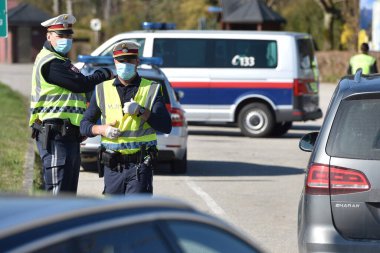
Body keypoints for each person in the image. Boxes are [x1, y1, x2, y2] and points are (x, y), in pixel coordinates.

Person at [29, 14, 114, 195]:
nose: (65, 40)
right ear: (48, 36)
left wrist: (79, 127)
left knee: (67, 195)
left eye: (68, 35)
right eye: (60, 35)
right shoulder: (50, 62)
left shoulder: (62, 62)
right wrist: (103, 74)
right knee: (58, 194)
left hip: (69, 135)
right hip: (54, 135)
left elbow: (75, 97)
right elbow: (80, 84)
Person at [80, 41, 172, 195]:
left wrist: (141, 110)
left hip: (140, 167)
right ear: (115, 62)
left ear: (137, 62)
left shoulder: (151, 89)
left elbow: (165, 125)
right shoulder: (102, 89)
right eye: (121, 61)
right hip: (112, 167)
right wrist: (102, 129)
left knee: (135, 214)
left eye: (129, 60)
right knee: (113, 215)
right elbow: (84, 125)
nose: (125, 64)